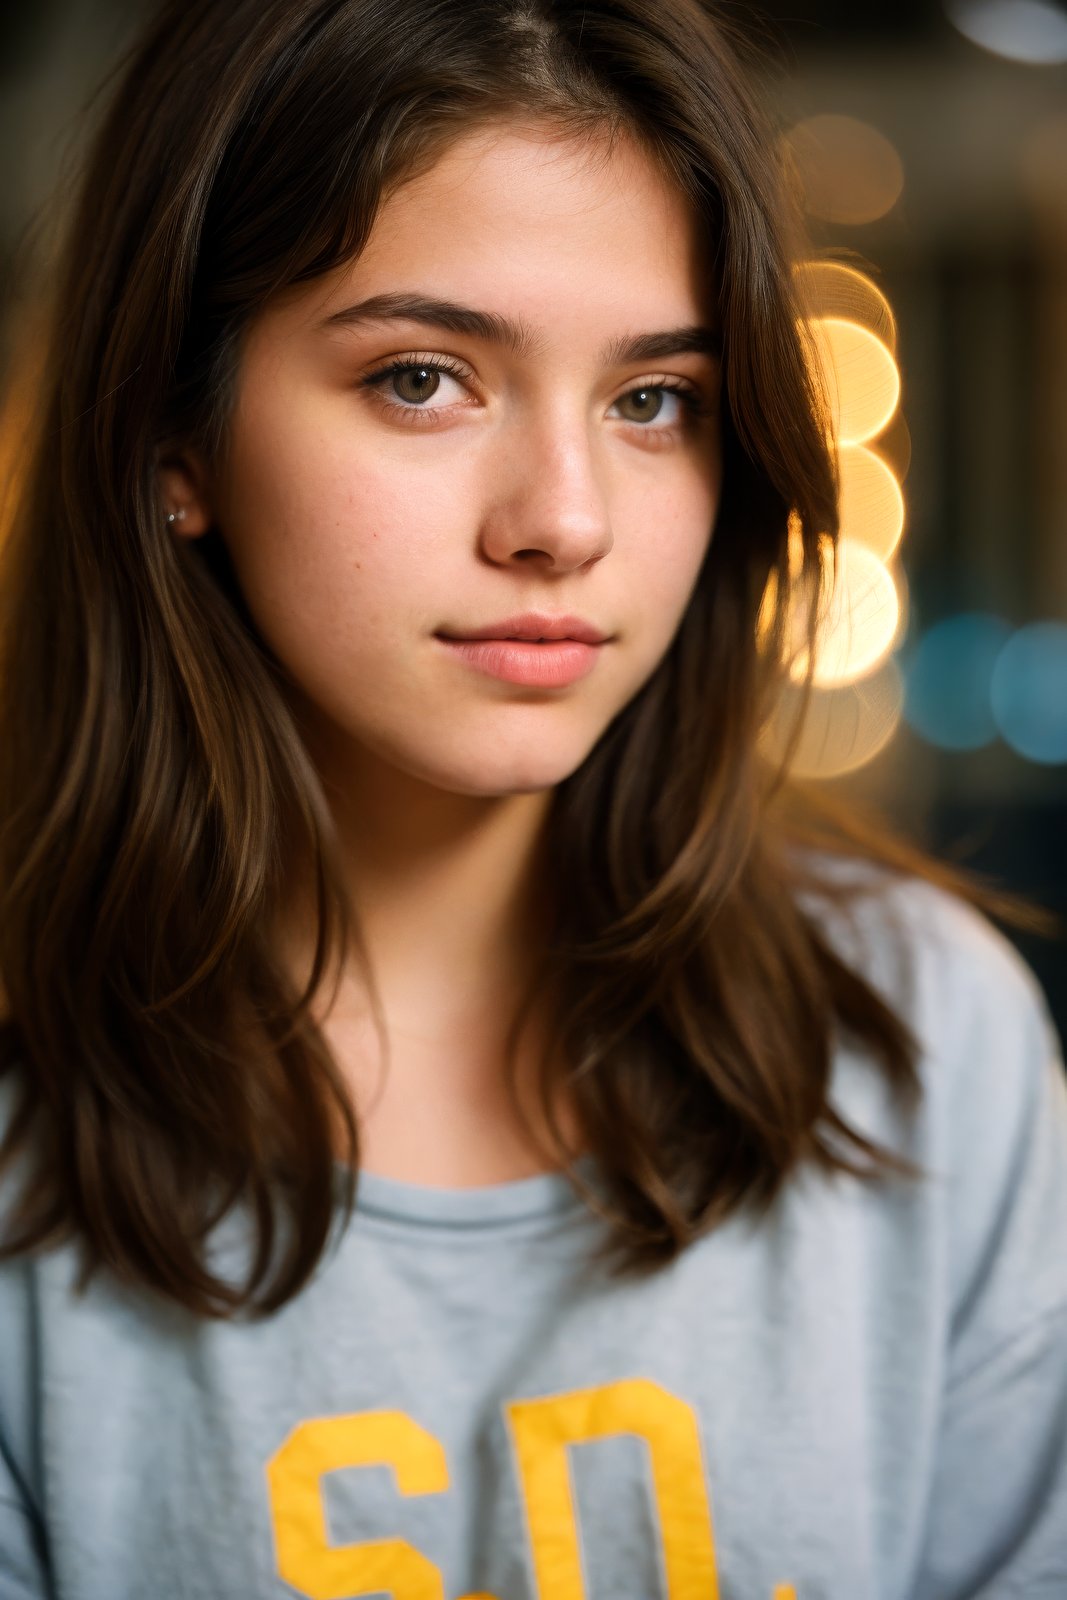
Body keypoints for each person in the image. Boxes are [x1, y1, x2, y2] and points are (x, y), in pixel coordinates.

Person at [0, 0, 1064, 1595]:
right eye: (426, 379)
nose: (564, 521)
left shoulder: (921, 1047)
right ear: (176, 436)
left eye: (653, 401)